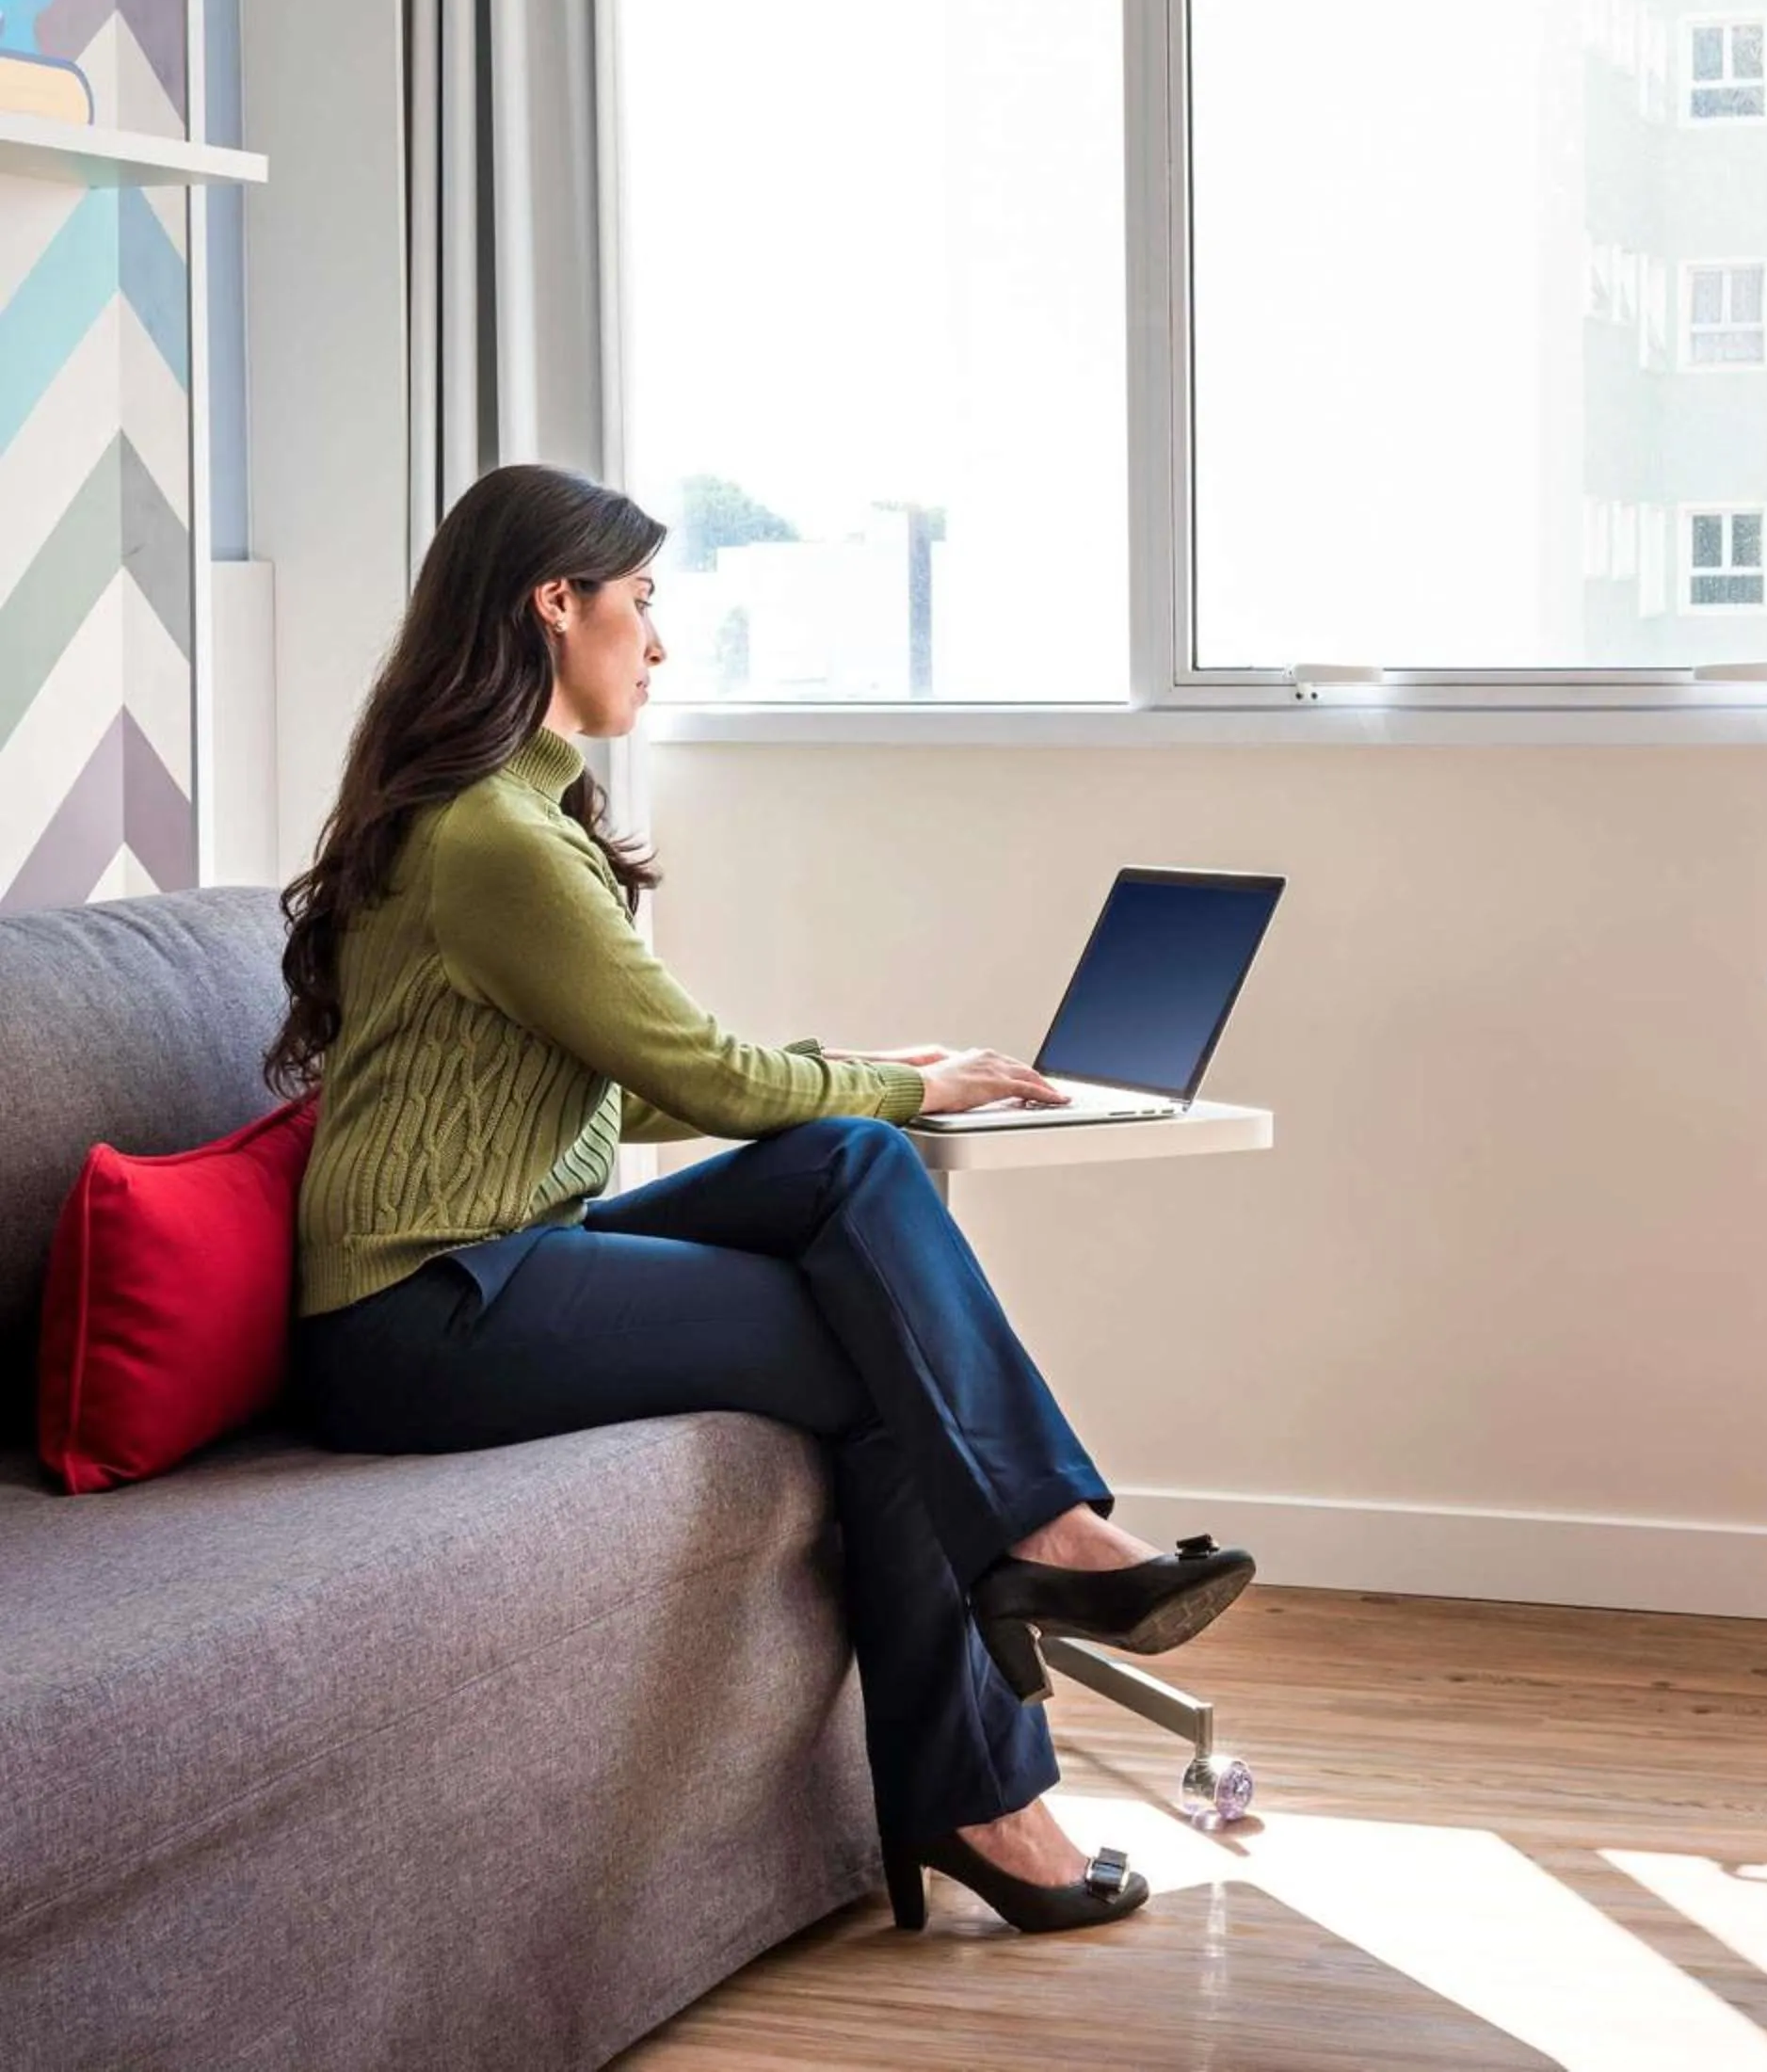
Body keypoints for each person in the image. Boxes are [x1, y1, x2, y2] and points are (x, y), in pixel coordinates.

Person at [275, 463, 1253, 1935]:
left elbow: (627, 1085)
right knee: (884, 1333)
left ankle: (1031, 1591)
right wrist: (909, 1084)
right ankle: (1004, 1710)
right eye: (643, 603)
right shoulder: (494, 838)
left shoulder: (512, 820)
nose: (658, 644)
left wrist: (878, 1077)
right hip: (423, 1309)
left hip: (505, 1262)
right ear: (557, 603)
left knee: (853, 1176)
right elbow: (706, 1079)